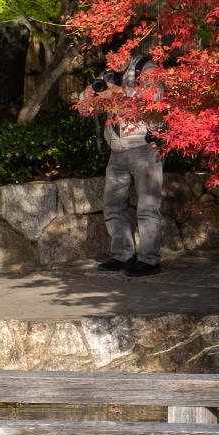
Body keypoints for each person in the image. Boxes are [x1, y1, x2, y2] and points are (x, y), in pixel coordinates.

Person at [81, 45, 164, 275]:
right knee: (113, 205)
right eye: (109, 55)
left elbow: (155, 96)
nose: (113, 59)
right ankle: (122, 255)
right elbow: (84, 109)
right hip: (116, 150)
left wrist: (120, 92)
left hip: (144, 148)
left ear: (127, 50)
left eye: (117, 54)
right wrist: (88, 94)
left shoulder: (145, 67)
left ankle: (149, 261)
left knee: (148, 206)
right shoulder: (106, 74)